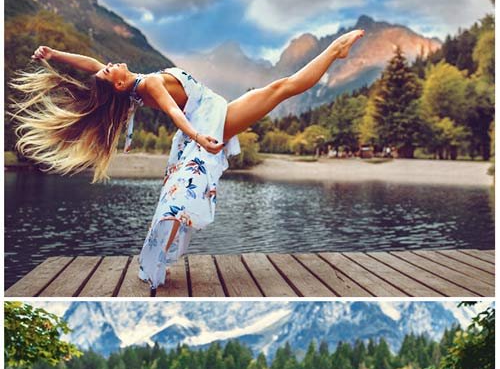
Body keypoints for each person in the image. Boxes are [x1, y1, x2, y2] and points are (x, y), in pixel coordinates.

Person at [12, 31, 363, 292]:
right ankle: (334, 51)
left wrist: (54, 53)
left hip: (207, 117)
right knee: (281, 89)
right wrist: (198, 137)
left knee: (176, 198)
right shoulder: (146, 84)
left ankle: (159, 260)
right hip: (208, 122)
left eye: (106, 68)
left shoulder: (130, 85)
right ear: (117, 84)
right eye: (108, 71)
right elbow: (171, 111)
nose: (109, 65)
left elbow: (90, 66)